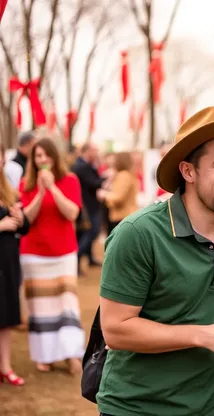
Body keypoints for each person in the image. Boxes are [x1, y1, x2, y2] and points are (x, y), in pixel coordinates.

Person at [97, 106, 214, 416]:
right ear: (188, 171)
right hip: (137, 408)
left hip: (213, 407)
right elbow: (115, 330)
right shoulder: (138, 234)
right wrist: (204, 334)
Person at [19, 138, 84, 374]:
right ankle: (44, 355)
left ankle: (70, 353)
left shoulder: (70, 180)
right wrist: (40, 191)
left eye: (46, 155)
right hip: (34, 254)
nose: (43, 160)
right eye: (38, 156)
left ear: (54, 157)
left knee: (66, 304)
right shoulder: (25, 184)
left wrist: (53, 188)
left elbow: (72, 213)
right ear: (33, 161)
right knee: (40, 307)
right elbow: (26, 218)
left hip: (63, 252)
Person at [0, 143, 30, 386]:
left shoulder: (8, 190)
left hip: (8, 263)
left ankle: (5, 367)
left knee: (7, 317)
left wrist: (20, 219)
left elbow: (25, 226)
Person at [73, 142, 106, 272]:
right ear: (87, 151)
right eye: (94, 151)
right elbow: (93, 183)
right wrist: (105, 180)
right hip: (88, 207)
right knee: (90, 233)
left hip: (89, 206)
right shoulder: (82, 166)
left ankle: (90, 258)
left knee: (89, 233)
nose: (96, 154)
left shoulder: (84, 165)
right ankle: (77, 257)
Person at [100, 152, 139, 233]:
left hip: (122, 215)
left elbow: (118, 198)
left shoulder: (124, 175)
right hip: (124, 215)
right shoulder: (126, 174)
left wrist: (104, 195)